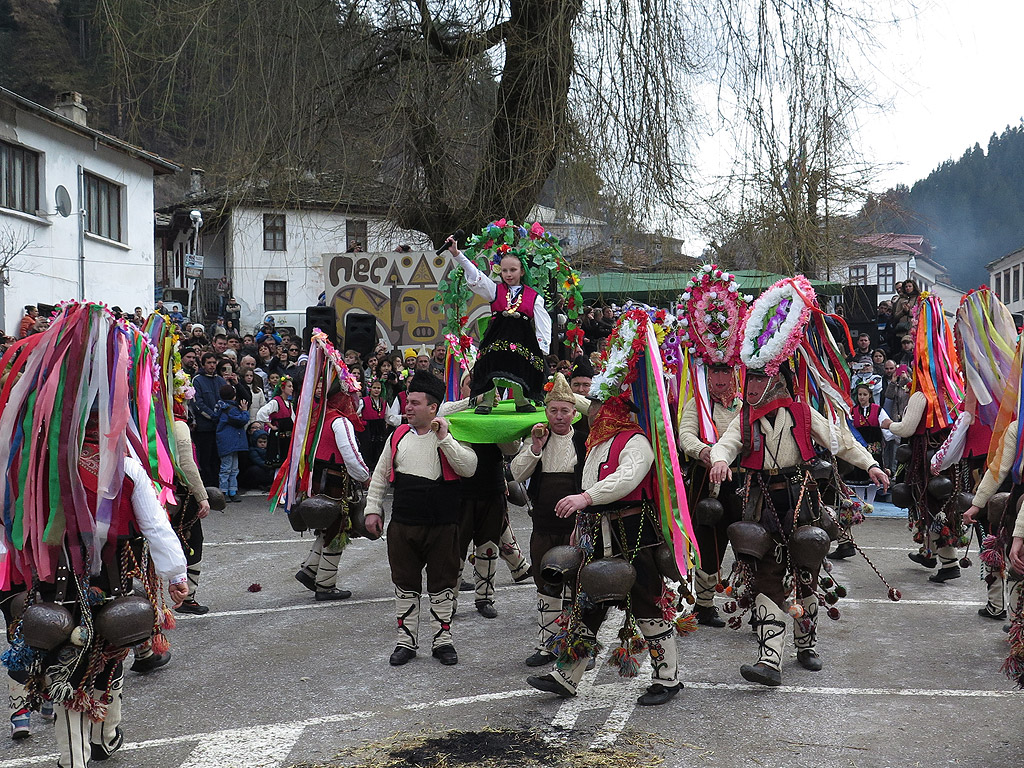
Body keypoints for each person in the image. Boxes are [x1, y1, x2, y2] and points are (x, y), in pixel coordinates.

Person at [0, 303, 188, 768]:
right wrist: (176, 575)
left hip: (51, 590)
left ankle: (81, 753)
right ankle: (100, 737)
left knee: (65, 668)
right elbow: (155, 526)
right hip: (112, 585)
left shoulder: (34, 469)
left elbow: (9, 524)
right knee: (108, 655)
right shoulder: (126, 467)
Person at [709, 276, 888, 687]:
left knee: (805, 569)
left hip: (800, 497)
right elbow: (726, 444)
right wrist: (719, 461)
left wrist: (871, 466)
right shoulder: (744, 418)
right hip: (759, 503)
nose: (749, 386)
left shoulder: (804, 414)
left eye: (756, 380)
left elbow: (840, 441)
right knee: (765, 573)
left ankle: (807, 644)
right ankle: (769, 659)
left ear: (775, 381)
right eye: (748, 379)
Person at [362, 371, 478, 666]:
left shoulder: (454, 435)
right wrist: (372, 509)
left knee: (442, 585)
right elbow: (379, 477)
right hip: (404, 525)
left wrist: (445, 439)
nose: (408, 408)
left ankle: (443, 642)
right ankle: (406, 642)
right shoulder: (397, 435)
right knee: (404, 584)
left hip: (442, 525)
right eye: (408, 402)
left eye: (415, 403)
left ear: (433, 408)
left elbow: (469, 469)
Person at [881, 294, 965, 583]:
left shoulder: (921, 396)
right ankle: (929, 553)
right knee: (942, 503)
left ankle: (948, 562)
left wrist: (888, 423)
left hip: (926, 461)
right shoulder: (953, 391)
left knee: (930, 506)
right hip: (946, 459)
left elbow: (906, 429)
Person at [510, 373, 588, 665]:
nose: (559, 416)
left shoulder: (584, 442)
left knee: (577, 586)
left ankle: (577, 646)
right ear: (546, 412)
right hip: (543, 525)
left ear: (574, 413)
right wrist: (535, 448)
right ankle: (547, 645)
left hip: (575, 527)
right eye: (553, 410)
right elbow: (517, 474)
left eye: (564, 410)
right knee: (545, 583)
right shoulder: (537, 440)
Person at [446, 231, 552, 413]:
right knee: (490, 362)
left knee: (521, 364)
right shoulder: (495, 290)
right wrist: (457, 254)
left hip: (523, 339)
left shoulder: (533, 296)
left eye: (513, 270)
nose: (508, 274)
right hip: (497, 336)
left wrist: (542, 345)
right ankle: (487, 400)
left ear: (522, 271)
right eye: (504, 270)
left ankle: (520, 399)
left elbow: (543, 321)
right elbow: (475, 274)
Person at [294, 382, 371, 601]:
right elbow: (352, 457)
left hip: (320, 480)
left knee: (327, 528)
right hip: (335, 482)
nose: (356, 402)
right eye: (352, 397)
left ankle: (309, 570)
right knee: (337, 529)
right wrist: (367, 478)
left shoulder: (319, 418)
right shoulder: (340, 421)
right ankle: (326, 585)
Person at [191, 352, 228, 486]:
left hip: (220, 427)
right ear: (203, 364)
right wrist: (213, 416)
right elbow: (197, 403)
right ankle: (206, 485)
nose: (212, 365)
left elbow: (226, 400)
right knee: (205, 458)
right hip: (204, 427)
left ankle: (217, 485)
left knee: (217, 457)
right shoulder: (198, 380)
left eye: (214, 362)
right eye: (209, 363)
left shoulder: (220, 380)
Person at [216, 384, 250, 503]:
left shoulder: (221, 407)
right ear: (234, 396)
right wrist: (245, 411)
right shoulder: (232, 409)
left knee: (232, 467)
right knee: (228, 467)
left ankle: (231, 490)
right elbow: (242, 420)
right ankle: (225, 491)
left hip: (228, 442)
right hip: (232, 441)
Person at [357, 378, 390, 474]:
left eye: (378, 388)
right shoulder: (364, 401)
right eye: (374, 387)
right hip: (368, 429)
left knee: (379, 449)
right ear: (370, 389)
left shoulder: (384, 402)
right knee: (367, 450)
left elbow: (388, 417)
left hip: (380, 429)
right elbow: (357, 414)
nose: (376, 390)